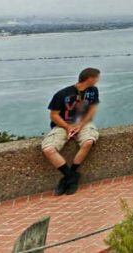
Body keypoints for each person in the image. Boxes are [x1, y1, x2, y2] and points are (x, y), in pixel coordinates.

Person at [41, 67, 100, 196]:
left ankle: (70, 175)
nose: (98, 80)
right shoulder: (62, 94)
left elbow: (92, 110)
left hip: (83, 124)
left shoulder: (93, 91)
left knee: (88, 141)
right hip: (63, 125)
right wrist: (68, 127)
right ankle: (70, 177)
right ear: (90, 78)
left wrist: (81, 124)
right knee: (48, 149)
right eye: (97, 78)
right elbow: (54, 115)